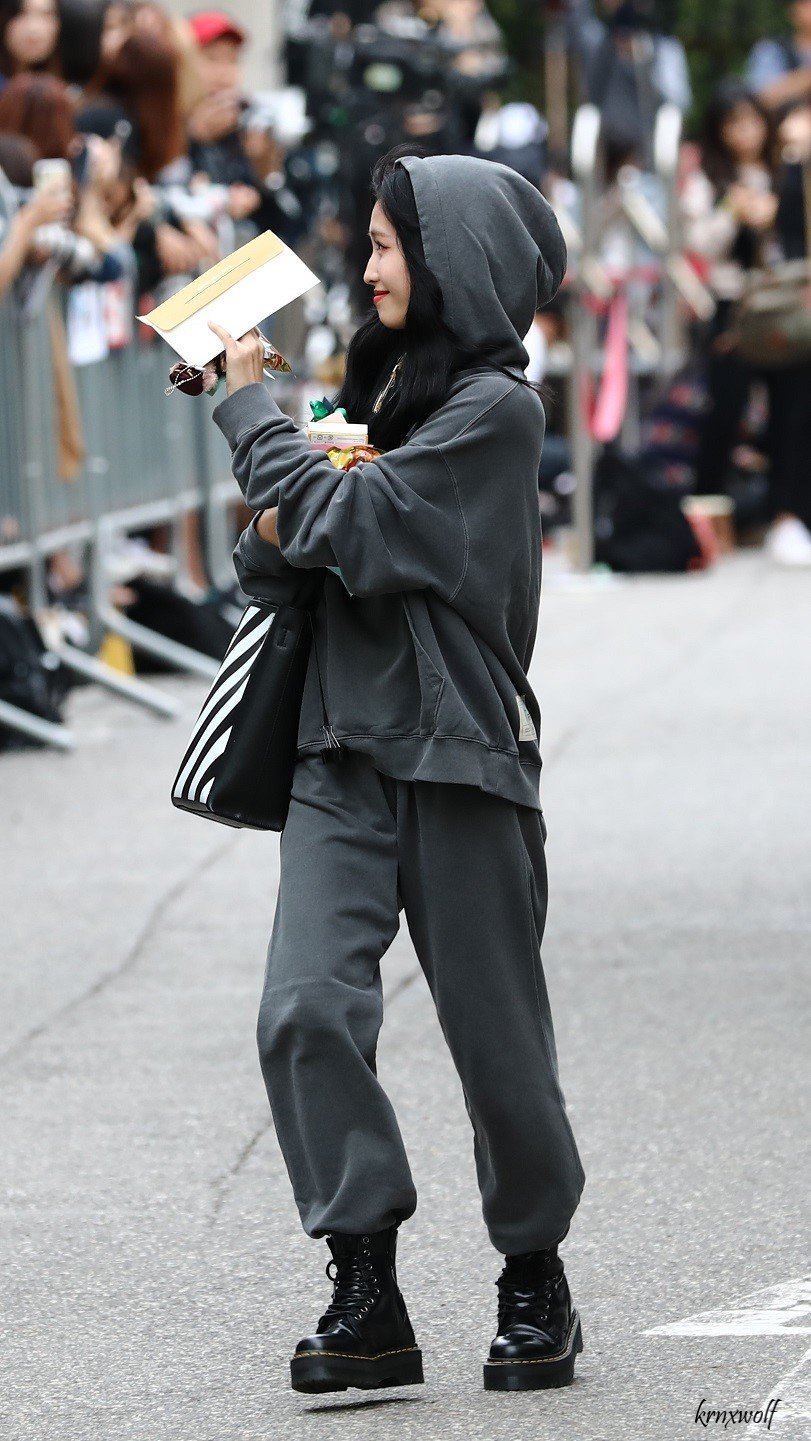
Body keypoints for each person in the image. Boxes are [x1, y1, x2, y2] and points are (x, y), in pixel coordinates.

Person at [208, 142, 586, 1395]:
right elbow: (275, 553)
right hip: (335, 748)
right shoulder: (368, 396)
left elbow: (339, 525)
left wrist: (253, 416)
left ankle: (533, 1271)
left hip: (459, 754)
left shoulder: (495, 413)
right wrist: (294, 483)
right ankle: (363, 1282)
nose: (365, 265)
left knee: (498, 1044)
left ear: (449, 258)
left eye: (385, 244)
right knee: (305, 1008)